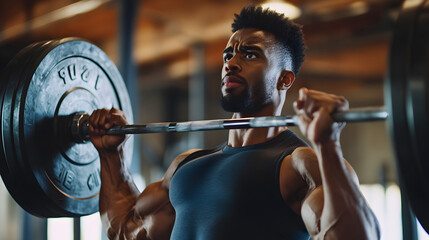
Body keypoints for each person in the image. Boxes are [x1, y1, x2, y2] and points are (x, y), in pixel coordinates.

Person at [89, 6, 381, 240]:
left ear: (285, 78)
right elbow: (124, 230)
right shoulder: (186, 166)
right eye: (228, 54)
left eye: (250, 53)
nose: (231, 62)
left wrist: (328, 145)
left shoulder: (298, 164)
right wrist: (110, 155)